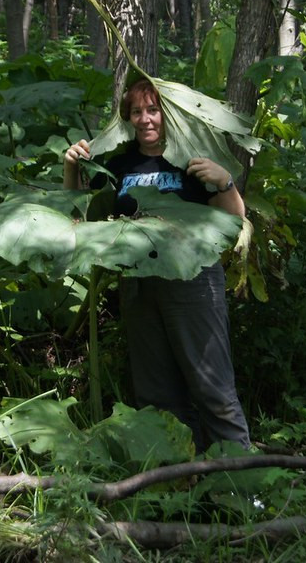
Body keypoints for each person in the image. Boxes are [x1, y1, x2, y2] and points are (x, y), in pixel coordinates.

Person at [63, 78, 250, 451]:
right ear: (127, 119)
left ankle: (240, 490)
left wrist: (226, 182)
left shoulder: (191, 159)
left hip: (192, 282)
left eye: (153, 110)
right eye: (137, 112)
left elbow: (232, 222)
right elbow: (78, 218)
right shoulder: (120, 163)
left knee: (212, 387)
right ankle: (178, 484)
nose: (146, 119)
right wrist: (71, 168)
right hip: (139, 283)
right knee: (156, 393)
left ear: (168, 114)